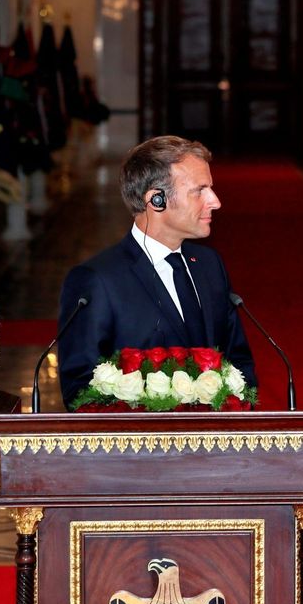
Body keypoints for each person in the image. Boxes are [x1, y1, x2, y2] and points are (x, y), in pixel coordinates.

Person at [57, 136, 256, 409]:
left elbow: (239, 361)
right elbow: (79, 390)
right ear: (157, 200)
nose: (215, 201)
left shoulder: (210, 265)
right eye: (200, 190)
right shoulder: (98, 280)